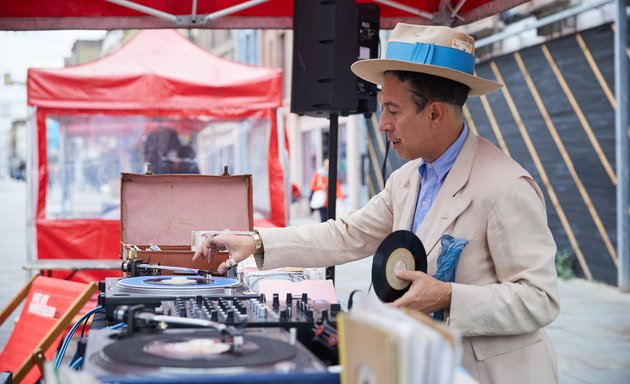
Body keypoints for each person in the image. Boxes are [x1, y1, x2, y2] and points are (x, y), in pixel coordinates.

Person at [194, 24, 559, 384]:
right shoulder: (406, 179)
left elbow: (540, 299)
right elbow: (347, 234)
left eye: (393, 110)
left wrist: (449, 296)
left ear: (435, 114)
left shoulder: (507, 186)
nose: (382, 124)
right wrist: (257, 242)